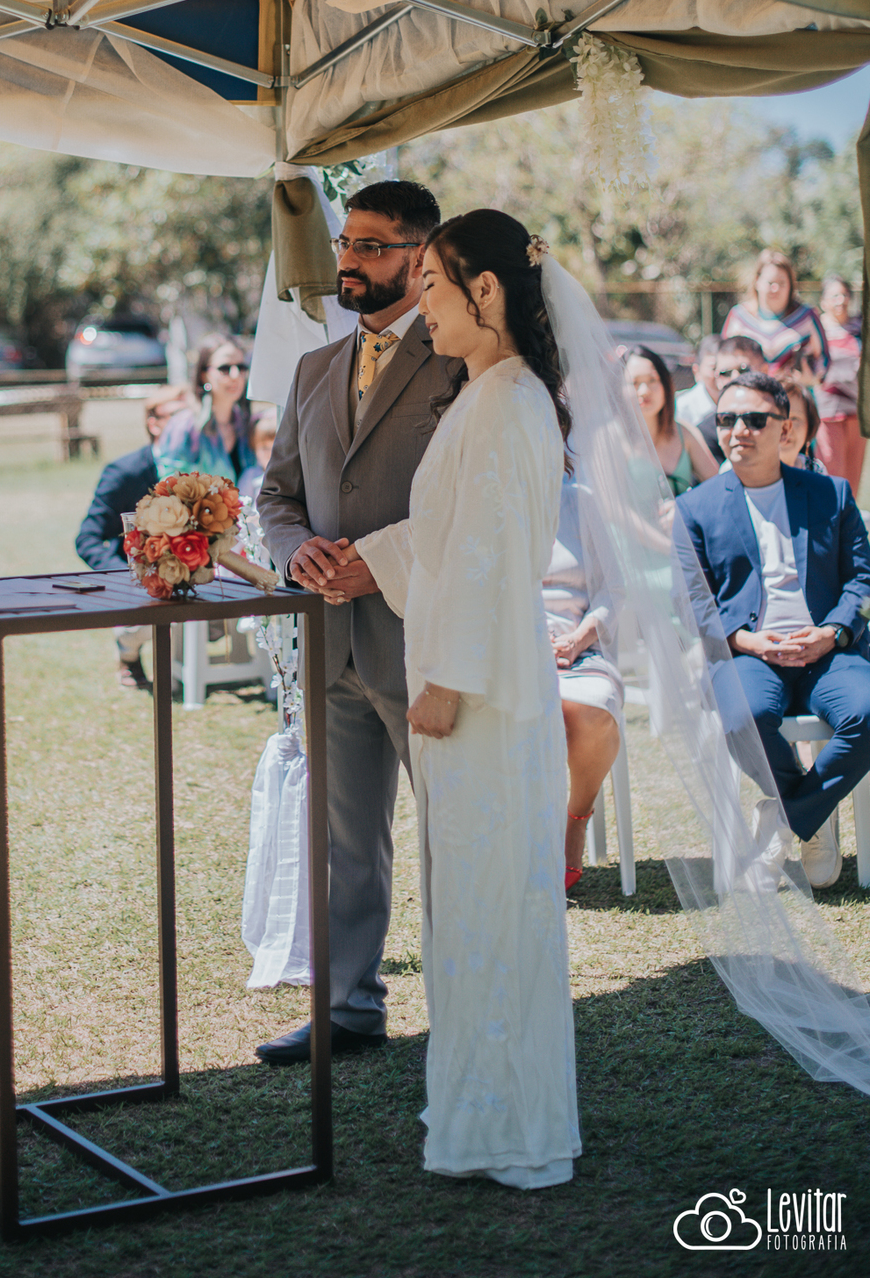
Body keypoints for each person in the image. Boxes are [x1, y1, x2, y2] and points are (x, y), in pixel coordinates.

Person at [351, 210, 578, 1187]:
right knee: (473, 903)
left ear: (486, 290)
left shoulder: (505, 401)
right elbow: (448, 535)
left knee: (491, 904)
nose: (422, 305)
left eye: (435, 286)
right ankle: (481, 1109)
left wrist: (445, 682)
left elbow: (489, 555)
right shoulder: (493, 395)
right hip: (478, 682)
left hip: (480, 693)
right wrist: (363, 561)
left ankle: (509, 1127)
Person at [254, 179, 456, 1066]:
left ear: (420, 256)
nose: (349, 261)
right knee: (344, 841)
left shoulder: (461, 365)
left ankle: (468, 999)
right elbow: (278, 494)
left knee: (452, 832)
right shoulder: (313, 370)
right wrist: (296, 549)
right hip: (330, 642)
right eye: (346, 244)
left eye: (372, 246)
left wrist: (382, 562)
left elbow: (473, 505)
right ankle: (347, 1008)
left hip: (428, 642)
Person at [675, 372, 870, 891]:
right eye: (727, 419)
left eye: (754, 419)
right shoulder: (696, 507)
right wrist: (744, 640)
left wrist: (832, 631)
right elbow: (691, 599)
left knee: (867, 709)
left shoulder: (831, 494)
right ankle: (813, 810)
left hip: (829, 652)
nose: (739, 429)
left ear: (784, 428)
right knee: (744, 716)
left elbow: (862, 580)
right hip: (748, 654)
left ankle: (786, 817)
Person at [75, 385, 191, 687]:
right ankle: (128, 648)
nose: (186, 424)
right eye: (176, 416)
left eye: (190, 417)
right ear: (154, 424)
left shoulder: (203, 464)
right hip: (144, 579)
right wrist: (128, 577)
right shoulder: (124, 472)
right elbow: (87, 539)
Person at [544, 477, 623, 890]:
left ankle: (575, 818)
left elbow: (613, 587)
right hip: (510, 647)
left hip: (578, 645)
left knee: (593, 705)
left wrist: (579, 639)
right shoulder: (488, 494)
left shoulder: (579, 499)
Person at [155, 334, 257, 486]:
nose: (235, 375)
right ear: (204, 376)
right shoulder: (184, 426)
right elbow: (171, 485)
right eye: (224, 368)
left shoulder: (247, 425)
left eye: (241, 367)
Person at [723, 248, 828, 380]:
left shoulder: (806, 316)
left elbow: (823, 358)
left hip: (795, 391)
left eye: (782, 283)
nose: (775, 288)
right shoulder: (739, 316)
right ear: (757, 281)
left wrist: (813, 378)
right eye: (770, 282)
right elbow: (723, 358)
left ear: (791, 285)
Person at [623, 344, 717, 492]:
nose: (644, 391)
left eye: (652, 380)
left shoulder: (685, 433)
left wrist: (686, 505)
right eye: (634, 382)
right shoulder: (609, 438)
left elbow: (717, 485)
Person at [816, 276, 865, 492]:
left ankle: (849, 513)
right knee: (831, 473)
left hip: (856, 409)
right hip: (828, 411)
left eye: (844, 294)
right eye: (835, 295)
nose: (841, 300)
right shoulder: (816, 328)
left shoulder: (860, 327)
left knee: (853, 476)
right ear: (823, 301)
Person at [780, 374, 827, 473]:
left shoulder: (817, 471)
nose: (786, 427)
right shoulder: (748, 472)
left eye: (794, 419)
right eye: (779, 418)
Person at [675, 334, 720, 429]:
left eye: (725, 368)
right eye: (714, 368)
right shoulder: (682, 408)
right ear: (697, 371)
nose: (720, 374)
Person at [238, 408, 278, 504]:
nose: (270, 453)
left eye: (275, 448)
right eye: (265, 448)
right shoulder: (250, 476)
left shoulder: (286, 476)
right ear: (255, 447)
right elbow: (241, 504)